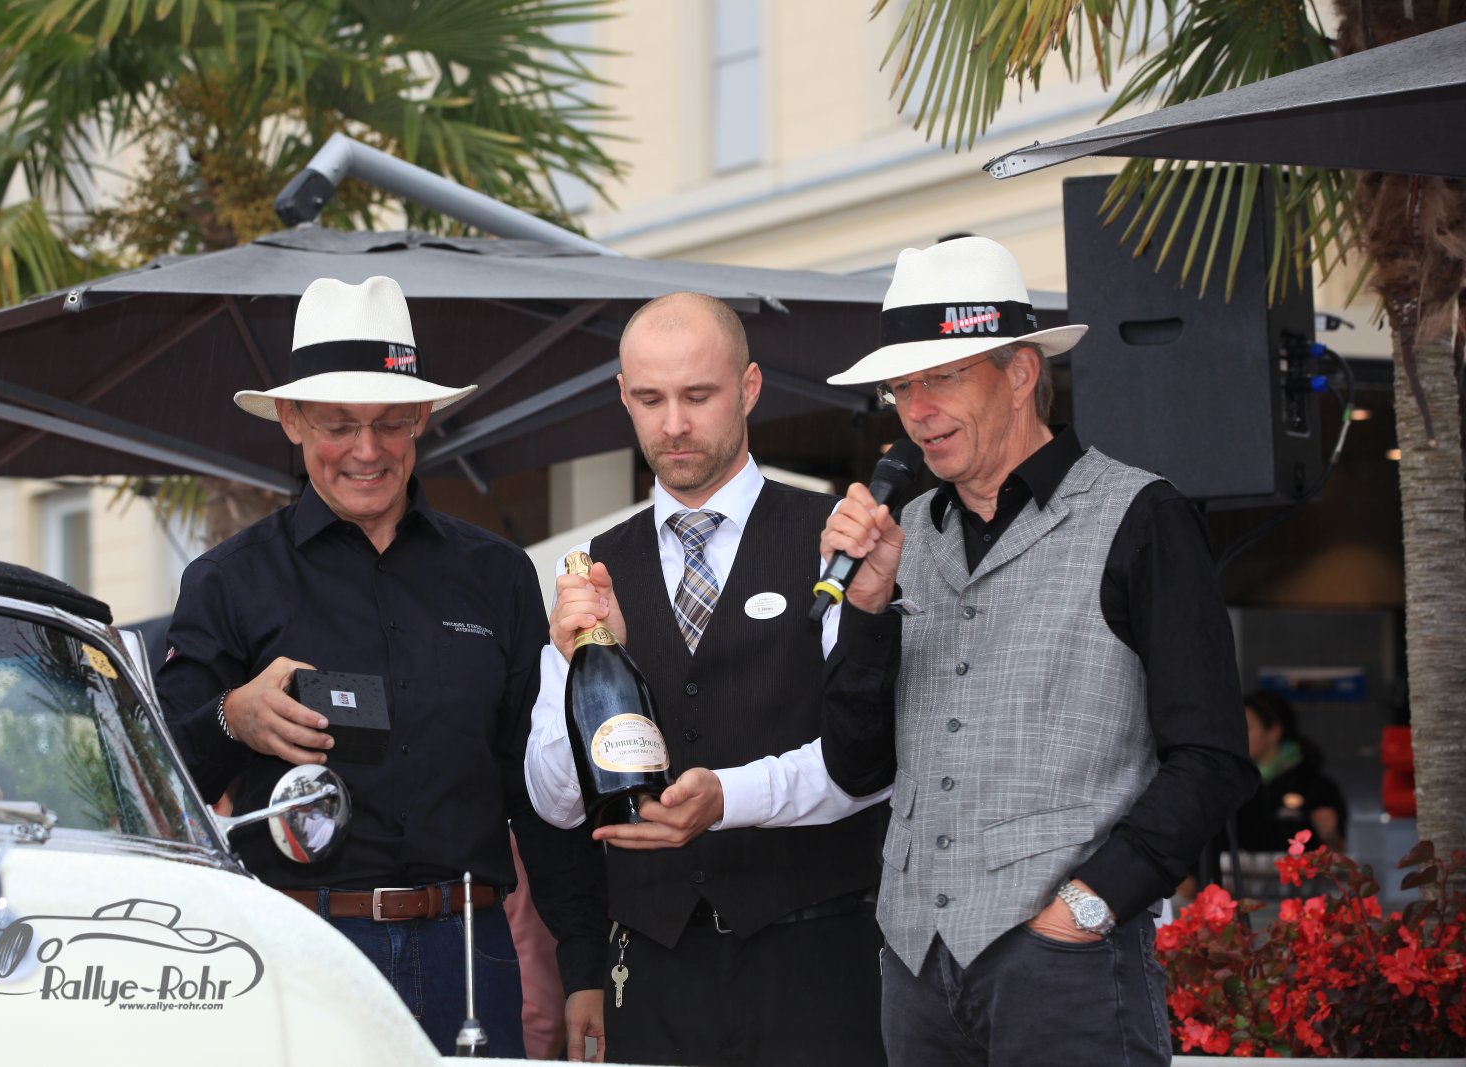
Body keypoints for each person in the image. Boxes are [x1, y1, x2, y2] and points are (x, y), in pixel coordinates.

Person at [817, 237, 1259, 1067]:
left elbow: (1211, 758)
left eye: (942, 377)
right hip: (913, 965)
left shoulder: (1139, 515)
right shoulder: (903, 536)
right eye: (902, 387)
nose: (917, 409)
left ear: (1020, 373)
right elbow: (855, 764)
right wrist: (868, 609)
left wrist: (1087, 909)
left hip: (1067, 964)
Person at [157, 276, 602, 1057]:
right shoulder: (227, 580)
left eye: (390, 423)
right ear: (293, 420)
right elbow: (161, 784)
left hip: (473, 952)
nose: (367, 451)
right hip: (304, 949)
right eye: (339, 425)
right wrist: (234, 718)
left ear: (421, 418)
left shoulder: (497, 575)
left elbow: (539, 786)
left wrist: (584, 961)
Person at [526, 291, 890, 1066]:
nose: (673, 424)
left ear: (749, 388)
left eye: (698, 396)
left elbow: (867, 764)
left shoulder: (832, 541)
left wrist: (727, 797)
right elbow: (557, 802)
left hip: (815, 962)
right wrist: (572, 660)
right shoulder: (592, 566)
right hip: (654, 972)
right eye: (650, 398)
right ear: (623, 396)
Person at [1236, 690, 1348, 853]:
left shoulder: (1316, 787)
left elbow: (1337, 853)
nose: (1238, 736)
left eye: (1247, 727)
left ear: (1274, 731)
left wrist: (1331, 834)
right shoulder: (1232, 785)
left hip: (1300, 870)